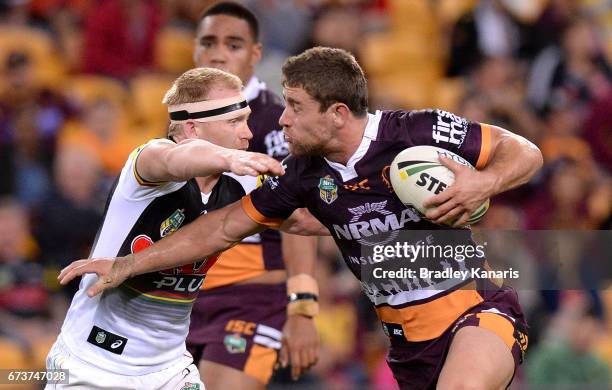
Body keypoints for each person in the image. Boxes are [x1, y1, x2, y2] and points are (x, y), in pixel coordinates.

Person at [59, 47, 544, 389]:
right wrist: (126, 265)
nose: (282, 120)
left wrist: (483, 183)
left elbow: (522, 151)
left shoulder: (413, 132)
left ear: (336, 113)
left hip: (476, 310)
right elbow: (222, 227)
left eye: (293, 107)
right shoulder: (302, 177)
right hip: (405, 342)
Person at [45, 67, 285, 389]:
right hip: (94, 363)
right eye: (234, 122)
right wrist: (228, 157)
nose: (248, 133)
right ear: (192, 127)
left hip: (170, 369)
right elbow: (177, 159)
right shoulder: (147, 163)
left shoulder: (241, 181)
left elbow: (302, 218)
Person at [189, 3, 319, 388]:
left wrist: (303, 308)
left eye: (233, 44)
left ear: (255, 54)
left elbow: (295, 218)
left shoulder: (275, 124)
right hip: (181, 299)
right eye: (209, 42)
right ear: (194, 49)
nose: (218, 53)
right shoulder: (183, 121)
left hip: (251, 298)